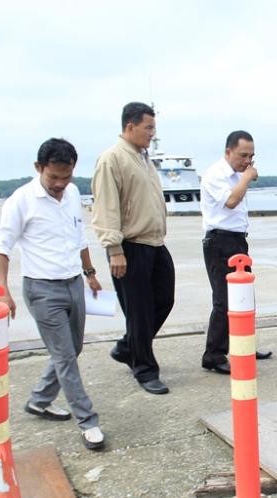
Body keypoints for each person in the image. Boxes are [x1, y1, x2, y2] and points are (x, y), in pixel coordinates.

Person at [0, 138, 105, 451]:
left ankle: (39, 400)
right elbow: (0, 248)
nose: (60, 184)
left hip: (73, 283)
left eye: (66, 177)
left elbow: (79, 237)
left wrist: (90, 273)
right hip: (42, 289)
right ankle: (88, 421)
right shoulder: (21, 200)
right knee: (65, 356)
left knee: (73, 348)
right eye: (53, 177)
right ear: (38, 168)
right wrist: (3, 291)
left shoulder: (71, 194)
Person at [92, 102, 174, 395]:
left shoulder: (143, 158)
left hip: (154, 242)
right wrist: (114, 249)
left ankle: (128, 346)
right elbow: (105, 207)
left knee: (164, 299)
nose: (152, 134)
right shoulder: (112, 159)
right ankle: (145, 368)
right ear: (130, 126)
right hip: (130, 245)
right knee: (138, 311)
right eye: (148, 128)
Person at [199, 130, 273, 375]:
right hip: (219, 241)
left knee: (245, 297)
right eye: (243, 155)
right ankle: (214, 354)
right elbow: (230, 202)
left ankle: (244, 346)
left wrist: (245, 175)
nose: (247, 161)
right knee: (224, 300)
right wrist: (247, 177)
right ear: (228, 151)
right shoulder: (215, 174)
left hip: (238, 240)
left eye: (251, 156)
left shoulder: (238, 174)